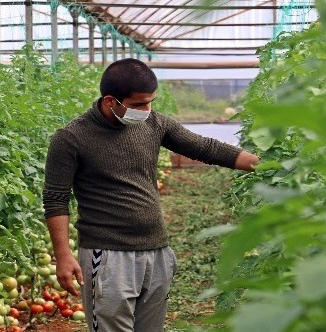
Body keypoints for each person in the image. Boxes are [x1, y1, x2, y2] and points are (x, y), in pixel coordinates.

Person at [42, 58, 259, 332]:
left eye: (150, 102)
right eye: (138, 104)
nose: (147, 110)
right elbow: (55, 198)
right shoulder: (71, 138)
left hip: (157, 251)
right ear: (111, 101)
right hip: (108, 255)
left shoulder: (154, 124)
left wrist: (265, 166)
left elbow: (206, 148)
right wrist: (63, 254)